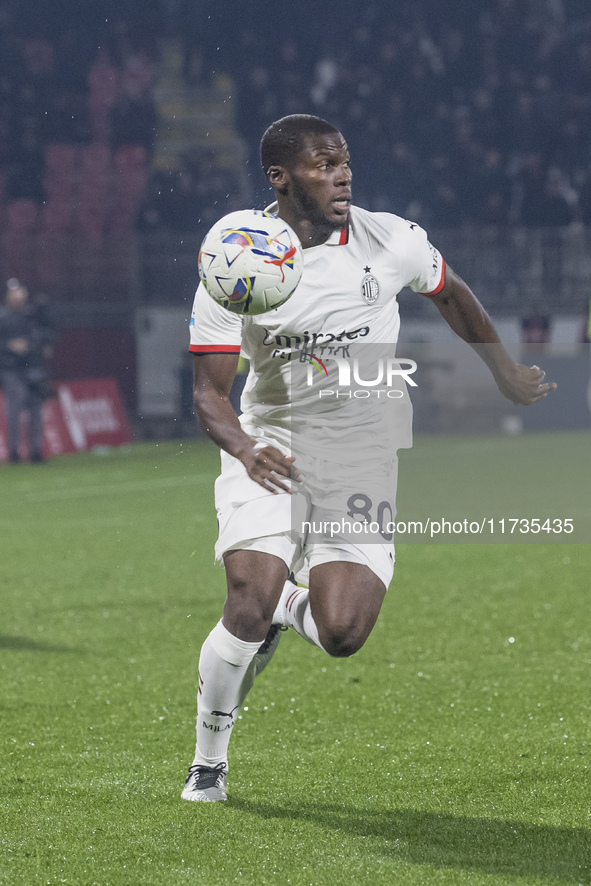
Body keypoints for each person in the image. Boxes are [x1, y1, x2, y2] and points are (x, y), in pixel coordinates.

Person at [182, 114, 557, 802]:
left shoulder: (392, 241)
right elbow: (209, 395)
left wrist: (500, 369)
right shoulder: (237, 260)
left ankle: (285, 611)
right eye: (323, 164)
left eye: (344, 160)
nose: (342, 173)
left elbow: (452, 293)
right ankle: (209, 761)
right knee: (245, 597)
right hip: (273, 444)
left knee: (343, 633)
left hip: (362, 451)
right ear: (280, 177)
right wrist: (242, 447)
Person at [0, 279, 54, 463]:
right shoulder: (3, 316)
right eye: (13, 292)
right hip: (12, 368)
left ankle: (36, 451)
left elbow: (47, 334)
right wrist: (9, 347)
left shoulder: (33, 315)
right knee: (13, 411)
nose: (17, 295)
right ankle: (13, 452)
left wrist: (30, 346)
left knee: (36, 411)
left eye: (19, 291)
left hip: (33, 368)